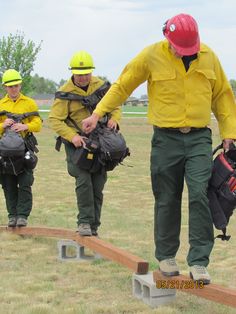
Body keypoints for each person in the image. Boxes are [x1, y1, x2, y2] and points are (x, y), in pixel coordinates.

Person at [82, 13, 236, 283]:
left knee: (200, 193)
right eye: (180, 47)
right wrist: (98, 113)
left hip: (199, 137)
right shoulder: (150, 55)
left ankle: (199, 261)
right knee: (167, 196)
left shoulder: (209, 56)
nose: (186, 52)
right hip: (166, 140)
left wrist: (229, 134)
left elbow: (223, 95)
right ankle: (166, 256)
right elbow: (123, 85)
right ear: (168, 38)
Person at [48, 51, 121, 236]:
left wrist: (115, 119)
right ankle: (84, 223)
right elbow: (54, 120)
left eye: (86, 73)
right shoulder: (65, 92)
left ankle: (93, 227)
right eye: (79, 74)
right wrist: (72, 136)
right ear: (72, 72)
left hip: (99, 144)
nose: (83, 77)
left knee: (97, 184)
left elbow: (115, 105)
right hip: (76, 146)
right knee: (84, 181)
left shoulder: (102, 86)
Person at [0, 69, 42, 227]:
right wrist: (2, 125)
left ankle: (23, 215)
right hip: (4, 152)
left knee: (25, 182)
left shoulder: (29, 103)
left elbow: (38, 124)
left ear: (20, 85)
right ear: (5, 87)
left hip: (24, 149)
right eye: (10, 86)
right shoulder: (0, 104)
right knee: (8, 183)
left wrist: (25, 126)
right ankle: (12, 215)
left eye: (16, 85)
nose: (14, 89)